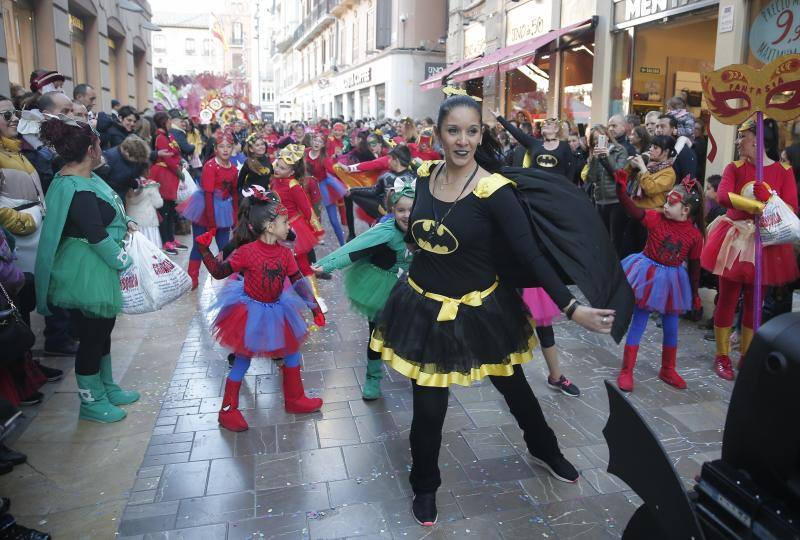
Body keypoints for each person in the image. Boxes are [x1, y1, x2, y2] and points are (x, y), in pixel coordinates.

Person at [369, 94, 616, 526]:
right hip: (425, 310)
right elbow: (420, 237)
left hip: (483, 311)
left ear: (480, 134)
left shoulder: (494, 191)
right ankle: (424, 485)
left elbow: (533, 257)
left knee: (516, 390)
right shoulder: (424, 177)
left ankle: (546, 450)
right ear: (438, 135)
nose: (463, 140)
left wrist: (572, 308)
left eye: (472, 130)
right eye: (453, 130)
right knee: (428, 410)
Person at [34, 116, 140, 423]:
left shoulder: (87, 177)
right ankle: (91, 401)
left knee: (102, 331)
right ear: (90, 149)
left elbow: (109, 211)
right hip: (87, 268)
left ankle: (106, 387)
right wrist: (125, 263)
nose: (103, 148)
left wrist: (127, 224)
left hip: (95, 265)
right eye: (98, 143)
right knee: (93, 336)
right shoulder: (74, 185)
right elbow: (95, 234)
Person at [195, 187, 325, 431]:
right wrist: (204, 249)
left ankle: (295, 399)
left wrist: (314, 307)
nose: (289, 227)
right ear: (269, 226)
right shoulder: (245, 252)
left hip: (279, 309)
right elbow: (219, 271)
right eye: (285, 222)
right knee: (243, 359)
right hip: (250, 312)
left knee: (292, 350)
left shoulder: (285, 254)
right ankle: (227, 410)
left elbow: (298, 281)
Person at [700, 120, 799, 380]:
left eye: (742, 136)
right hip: (734, 241)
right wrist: (753, 205)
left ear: (757, 139)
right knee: (726, 299)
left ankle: (747, 353)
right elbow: (722, 196)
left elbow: (791, 208)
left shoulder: (784, 171)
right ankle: (722, 356)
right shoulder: (735, 167)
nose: (737, 141)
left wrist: (769, 199)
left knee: (755, 303)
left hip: (764, 243)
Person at [313, 180, 415, 400]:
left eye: (411, 209)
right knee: (377, 334)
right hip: (382, 288)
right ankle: (373, 377)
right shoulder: (385, 231)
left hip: (414, 288)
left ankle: (419, 375)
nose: (407, 215)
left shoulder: (425, 227)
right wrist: (326, 265)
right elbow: (354, 250)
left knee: (415, 333)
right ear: (392, 211)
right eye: (401, 210)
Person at [614, 170, 704, 392]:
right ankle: (626, 370)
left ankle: (668, 368)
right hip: (647, 277)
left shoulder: (694, 236)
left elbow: (694, 269)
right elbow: (634, 211)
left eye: (671, 203)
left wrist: (694, 294)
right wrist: (621, 190)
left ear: (685, 210)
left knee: (672, 328)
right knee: (639, 322)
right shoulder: (656, 219)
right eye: (666, 200)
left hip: (673, 281)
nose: (665, 205)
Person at [179, 128, 238, 290]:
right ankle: (193, 279)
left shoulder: (233, 169)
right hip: (204, 209)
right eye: (222, 146)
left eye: (228, 146)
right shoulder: (210, 167)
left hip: (224, 211)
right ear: (215, 149)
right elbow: (208, 195)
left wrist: (236, 218)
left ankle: (228, 281)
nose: (225, 149)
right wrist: (211, 223)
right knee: (199, 246)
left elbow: (234, 193)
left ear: (232, 148)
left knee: (225, 247)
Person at [271, 144, 326, 311]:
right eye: (277, 165)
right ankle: (278, 299)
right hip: (277, 228)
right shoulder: (275, 181)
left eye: (282, 167)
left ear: (292, 172)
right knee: (278, 265)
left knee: (302, 265)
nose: (277, 168)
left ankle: (316, 299)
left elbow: (307, 208)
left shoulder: (293, 185)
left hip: (294, 229)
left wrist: (317, 230)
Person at [622, 135, 678, 254]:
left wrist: (642, 168)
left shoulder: (669, 173)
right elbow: (624, 178)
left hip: (651, 218)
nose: (651, 149)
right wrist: (631, 166)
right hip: (635, 213)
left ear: (666, 152)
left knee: (642, 253)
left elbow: (650, 189)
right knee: (627, 251)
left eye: (656, 147)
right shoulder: (649, 166)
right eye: (651, 146)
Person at [582, 125, 628, 252]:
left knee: (614, 240)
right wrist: (595, 160)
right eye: (594, 140)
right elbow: (590, 179)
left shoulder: (620, 150)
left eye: (600, 138)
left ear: (607, 136)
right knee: (601, 238)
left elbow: (619, 174)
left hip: (616, 201)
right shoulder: (593, 155)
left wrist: (607, 156)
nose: (597, 142)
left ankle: (615, 268)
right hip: (599, 200)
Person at [149, 112, 187, 255]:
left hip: (171, 175)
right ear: (164, 122)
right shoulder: (160, 137)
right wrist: (179, 172)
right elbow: (169, 159)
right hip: (164, 176)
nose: (171, 122)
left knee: (171, 210)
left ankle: (171, 238)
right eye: (169, 120)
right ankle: (165, 241)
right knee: (164, 210)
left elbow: (176, 153)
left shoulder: (168, 135)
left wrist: (181, 161)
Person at [494, 114, 574, 179]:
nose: (544, 125)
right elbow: (516, 133)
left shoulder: (564, 146)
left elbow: (570, 171)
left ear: (556, 129)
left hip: (557, 190)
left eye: (548, 124)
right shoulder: (535, 143)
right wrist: (499, 117)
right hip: (536, 187)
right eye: (543, 124)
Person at [305, 132, 347, 246]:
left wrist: (344, 172)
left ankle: (343, 244)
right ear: (311, 141)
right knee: (309, 216)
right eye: (315, 140)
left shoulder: (324, 158)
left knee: (333, 220)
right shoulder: (304, 152)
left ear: (323, 145)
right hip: (307, 187)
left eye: (320, 142)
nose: (317, 143)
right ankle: (312, 239)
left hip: (323, 187)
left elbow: (334, 171)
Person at [96, 134, 151, 200]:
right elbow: (101, 183)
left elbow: (129, 177)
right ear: (126, 151)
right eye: (136, 159)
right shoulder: (109, 158)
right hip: (109, 198)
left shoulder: (131, 157)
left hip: (121, 197)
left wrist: (137, 183)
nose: (136, 161)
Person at [657, 114, 697, 182]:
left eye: (662, 127)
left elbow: (688, 181)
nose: (658, 130)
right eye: (657, 127)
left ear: (673, 129)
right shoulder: (655, 149)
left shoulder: (685, 151)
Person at [125, 177, 163, 247]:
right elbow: (158, 203)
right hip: (148, 224)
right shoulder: (151, 185)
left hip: (131, 223)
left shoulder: (125, 182)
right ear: (147, 170)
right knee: (151, 250)